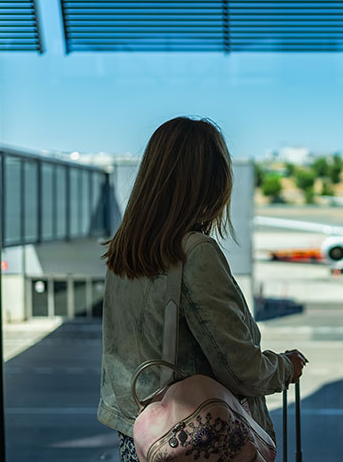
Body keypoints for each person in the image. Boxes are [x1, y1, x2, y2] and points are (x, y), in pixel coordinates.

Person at [96, 117, 307, 462]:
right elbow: (242, 368)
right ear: (211, 184)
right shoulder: (194, 253)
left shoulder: (124, 251)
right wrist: (285, 367)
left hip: (141, 440)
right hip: (193, 440)